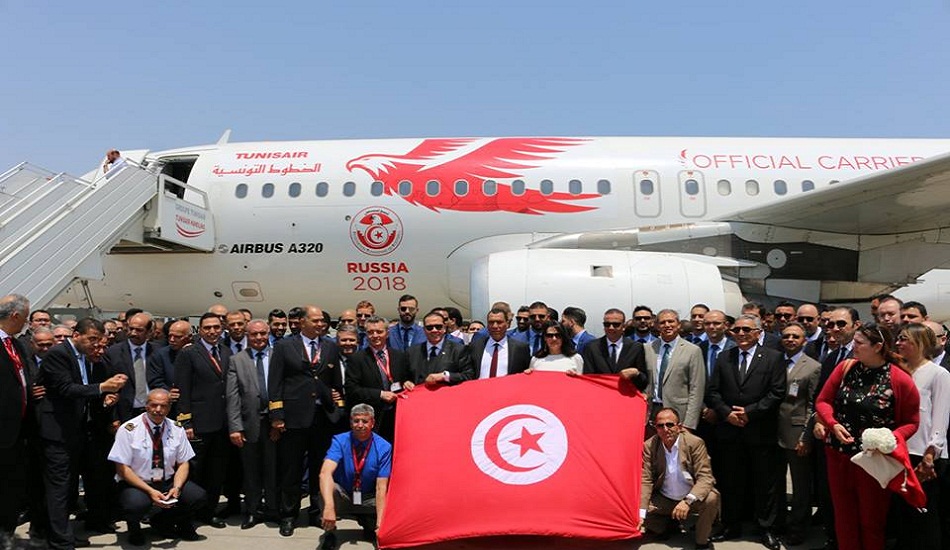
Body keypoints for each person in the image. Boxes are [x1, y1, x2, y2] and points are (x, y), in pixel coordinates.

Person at [814, 322, 920, 550]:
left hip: (874, 461)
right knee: (844, 518)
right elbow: (822, 401)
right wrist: (832, 424)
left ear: (878, 346)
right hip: (838, 456)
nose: (854, 346)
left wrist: (889, 437)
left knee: (871, 520)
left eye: (860, 343)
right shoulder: (845, 368)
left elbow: (912, 422)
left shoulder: (899, 379)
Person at [38, 318, 127, 550]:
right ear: (76, 334)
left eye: (99, 341)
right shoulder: (58, 354)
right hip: (58, 432)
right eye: (91, 340)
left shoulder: (86, 359)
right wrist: (102, 388)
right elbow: (66, 389)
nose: (95, 345)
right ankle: (60, 540)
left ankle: (68, 531)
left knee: (75, 484)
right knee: (60, 488)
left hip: (80, 431)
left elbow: (86, 391)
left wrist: (105, 398)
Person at [704, 314, 786, 549]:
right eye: (737, 329)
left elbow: (777, 393)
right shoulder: (724, 357)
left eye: (746, 330)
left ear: (758, 332)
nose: (740, 333)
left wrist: (750, 412)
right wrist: (726, 413)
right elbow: (713, 392)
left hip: (760, 430)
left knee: (764, 482)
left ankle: (765, 528)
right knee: (731, 481)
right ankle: (731, 525)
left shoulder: (773, 358)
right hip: (730, 431)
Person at [268, 305, 340, 536]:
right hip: (293, 418)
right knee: (292, 470)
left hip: (322, 418)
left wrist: (336, 409)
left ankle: (317, 512)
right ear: (303, 321)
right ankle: (288, 515)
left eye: (322, 321)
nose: (321, 324)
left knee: (320, 468)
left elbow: (335, 382)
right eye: (316, 320)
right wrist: (277, 416)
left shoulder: (330, 345)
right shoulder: (284, 346)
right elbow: (275, 383)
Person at [109, 389, 206, 545]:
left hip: (167, 480)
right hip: (138, 483)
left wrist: (177, 487)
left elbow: (183, 463)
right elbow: (122, 469)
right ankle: (134, 529)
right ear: (146, 406)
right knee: (135, 504)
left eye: (163, 406)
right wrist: (150, 491)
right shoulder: (129, 430)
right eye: (154, 405)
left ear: (169, 407)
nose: (158, 410)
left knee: (198, 497)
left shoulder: (176, 428)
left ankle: (164, 521)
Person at [894, 323, 950, 549]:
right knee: (904, 516)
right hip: (901, 452)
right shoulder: (900, 372)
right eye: (898, 338)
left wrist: (931, 454)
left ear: (920, 343)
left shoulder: (939, 374)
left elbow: (940, 416)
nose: (898, 343)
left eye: (904, 339)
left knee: (925, 515)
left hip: (926, 456)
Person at [174, 312, 232, 528]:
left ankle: (209, 512)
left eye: (216, 327)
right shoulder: (188, 354)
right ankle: (187, 517)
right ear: (200, 329)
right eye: (207, 327)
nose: (212, 331)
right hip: (198, 424)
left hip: (222, 423)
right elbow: (182, 389)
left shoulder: (226, 352)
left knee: (217, 472)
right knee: (194, 472)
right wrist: (186, 422)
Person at [641, 408, 719, 550]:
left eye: (670, 424)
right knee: (635, 507)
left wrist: (688, 501)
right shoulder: (649, 446)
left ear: (680, 426)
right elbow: (645, 480)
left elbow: (706, 478)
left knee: (711, 498)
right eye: (660, 426)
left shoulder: (694, 443)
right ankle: (668, 526)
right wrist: (640, 513)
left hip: (690, 497)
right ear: (655, 428)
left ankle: (701, 542)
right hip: (664, 498)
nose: (665, 429)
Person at [225, 320, 279, 529]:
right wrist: (235, 427)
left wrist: (277, 421)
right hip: (248, 424)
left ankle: (273, 510)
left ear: (268, 334)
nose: (258, 338)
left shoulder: (277, 357)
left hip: (274, 423)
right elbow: (233, 396)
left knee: (273, 469)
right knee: (251, 470)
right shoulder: (236, 360)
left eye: (262, 334)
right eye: (254, 334)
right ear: (247, 335)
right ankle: (252, 510)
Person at [318, 404, 391, 550]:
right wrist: (329, 507)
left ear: (372, 423)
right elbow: (325, 473)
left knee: (391, 497)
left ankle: (370, 524)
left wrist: (381, 525)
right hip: (344, 493)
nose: (360, 425)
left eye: (365, 421)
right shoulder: (339, 441)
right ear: (350, 422)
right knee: (327, 489)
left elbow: (381, 487)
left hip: (369, 497)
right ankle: (330, 533)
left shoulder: (384, 447)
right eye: (356, 421)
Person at [776, 322, 821, 546]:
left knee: (800, 485)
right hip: (773, 431)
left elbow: (813, 405)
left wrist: (806, 436)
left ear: (804, 340)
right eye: (786, 336)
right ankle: (779, 523)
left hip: (797, 433)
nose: (790, 339)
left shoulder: (812, 367)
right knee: (775, 482)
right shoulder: (775, 361)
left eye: (796, 336)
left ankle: (798, 527)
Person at [0, 295, 35, 550]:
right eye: (26, 317)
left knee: (12, 488)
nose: (27, 322)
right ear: (15, 316)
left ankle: (6, 533)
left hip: (18, 432)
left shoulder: (18, 345)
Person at [344, 316, 411, 443]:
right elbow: (352, 389)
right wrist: (380, 394)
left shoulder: (400, 356)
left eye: (379, 331)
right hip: (372, 416)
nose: (375, 335)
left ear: (387, 333)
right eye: (370, 332)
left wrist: (407, 382)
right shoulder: (357, 359)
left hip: (396, 416)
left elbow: (406, 379)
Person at [643, 309, 706, 430]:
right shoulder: (647, 348)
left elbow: (696, 389)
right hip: (652, 411)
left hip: (678, 413)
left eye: (671, 321)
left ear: (678, 325)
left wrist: (689, 423)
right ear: (657, 326)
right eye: (662, 322)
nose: (667, 325)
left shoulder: (692, 351)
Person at [582, 308, 649, 390]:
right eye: (607, 324)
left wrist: (636, 373)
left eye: (615, 324)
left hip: (626, 396)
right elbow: (588, 378)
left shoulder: (636, 347)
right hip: (600, 396)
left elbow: (644, 381)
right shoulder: (592, 347)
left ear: (623, 327)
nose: (611, 328)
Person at [407, 311, 474, 387]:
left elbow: (468, 375)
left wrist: (445, 376)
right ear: (424, 330)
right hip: (420, 396)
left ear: (444, 328)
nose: (434, 330)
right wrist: (406, 382)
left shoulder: (458, 350)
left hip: (447, 395)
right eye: (429, 327)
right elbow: (405, 376)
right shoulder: (412, 351)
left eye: (438, 327)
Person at [470, 308, 531, 378]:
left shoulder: (520, 348)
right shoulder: (475, 347)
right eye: (491, 322)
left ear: (507, 324)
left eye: (499, 322)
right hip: (480, 387)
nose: (495, 326)